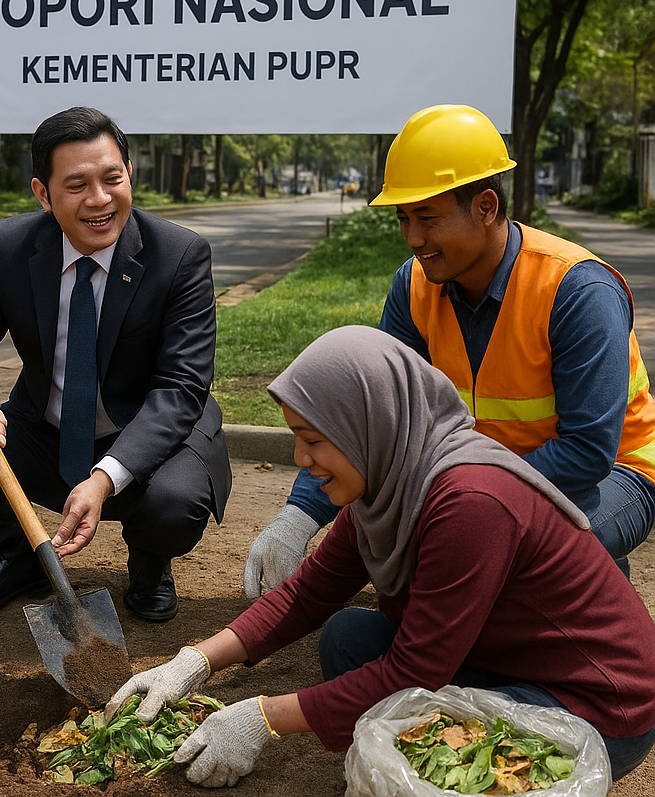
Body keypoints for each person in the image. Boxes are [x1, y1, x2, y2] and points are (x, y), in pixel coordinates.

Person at [108, 325, 655, 787]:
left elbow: (415, 669)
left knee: (442, 748)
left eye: (314, 441)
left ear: (368, 424)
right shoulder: (392, 480)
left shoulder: (471, 502)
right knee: (348, 638)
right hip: (504, 662)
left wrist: (263, 717)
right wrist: (192, 663)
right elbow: (306, 595)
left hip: (596, 707)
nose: (301, 459)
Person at [245, 103, 655, 596]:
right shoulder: (415, 286)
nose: (414, 238)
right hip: (476, 475)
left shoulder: (576, 290)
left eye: (428, 218)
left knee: (541, 547)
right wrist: (299, 515)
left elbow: (587, 453)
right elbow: (373, 419)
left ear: (486, 208)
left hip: (616, 475)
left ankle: (597, 617)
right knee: (457, 543)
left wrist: (453, 501)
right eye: (403, 219)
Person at [0, 106, 230, 622]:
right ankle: (21, 554)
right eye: (76, 185)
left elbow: (181, 389)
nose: (99, 200)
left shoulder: (180, 256)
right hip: (45, 434)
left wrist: (103, 479)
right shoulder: (11, 246)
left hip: (148, 437)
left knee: (174, 504)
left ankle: (149, 561)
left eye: (111, 179)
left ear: (129, 176)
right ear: (42, 193)